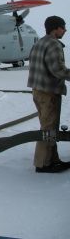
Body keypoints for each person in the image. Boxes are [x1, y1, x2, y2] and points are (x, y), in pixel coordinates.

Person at [27, 15, 70, 173]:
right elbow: (57, 70)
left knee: (48, 127)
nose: (65, 30)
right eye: (63, 27)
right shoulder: (53, 44)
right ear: (55, 28)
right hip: (48, 92)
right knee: (48, 128)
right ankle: (43, 164)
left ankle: (52, 159)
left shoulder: (39, 42)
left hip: (38, 91)